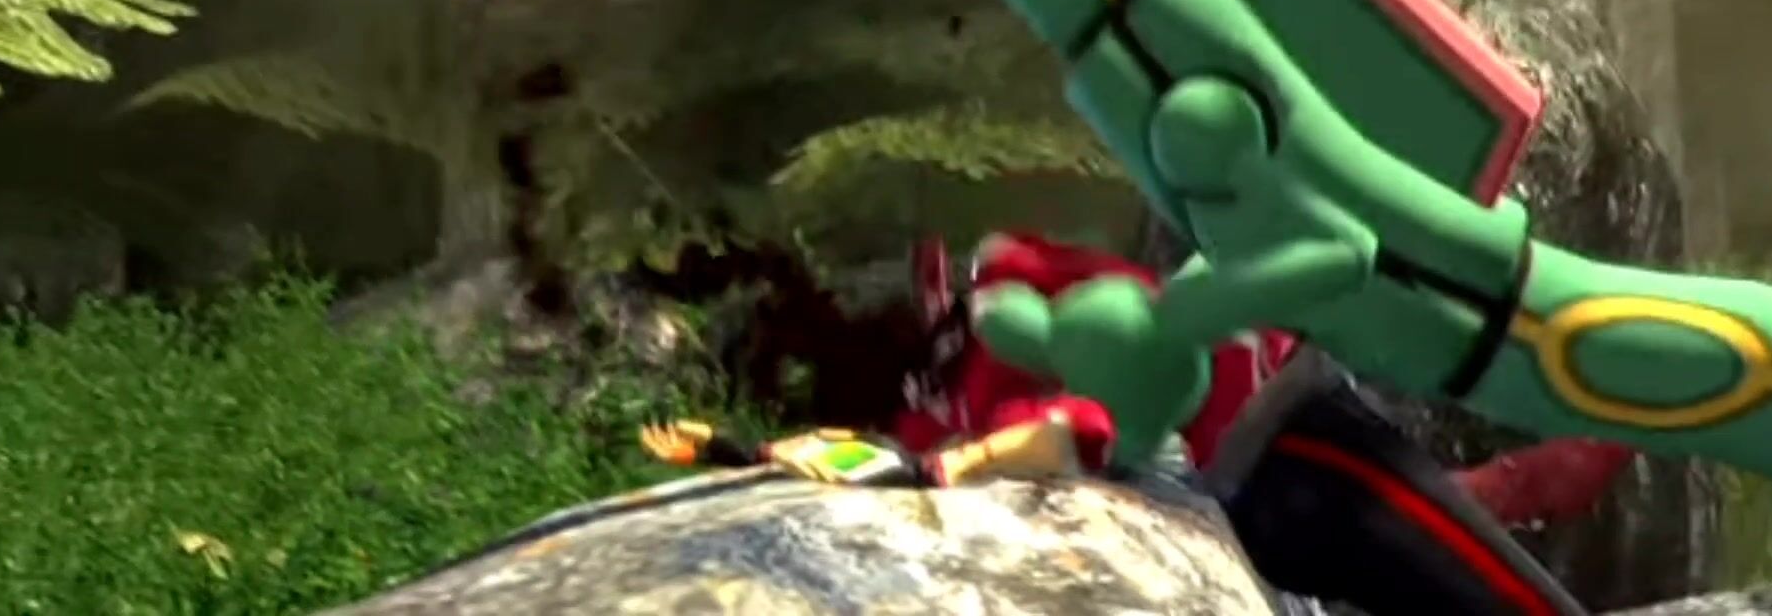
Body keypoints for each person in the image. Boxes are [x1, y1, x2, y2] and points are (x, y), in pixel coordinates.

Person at [644, 233, 1633, 615]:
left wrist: (751, 452)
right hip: (1263, 457)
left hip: (1264, 443)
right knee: (1469, 571)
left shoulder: (991, 315)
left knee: (1449, 552)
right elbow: (1074, 423)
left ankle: (1532, 480)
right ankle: (1537, 478)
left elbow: (1060, 418)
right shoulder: (996, 304)